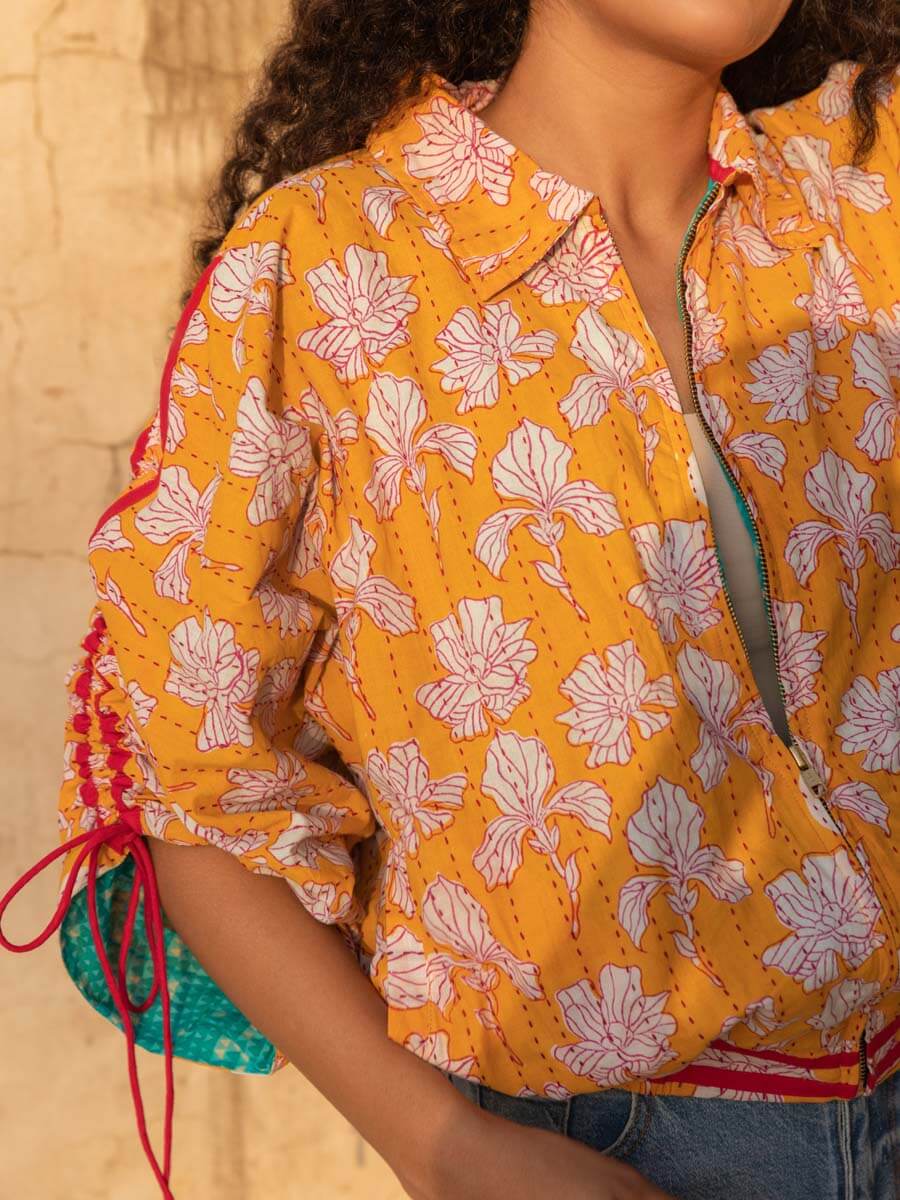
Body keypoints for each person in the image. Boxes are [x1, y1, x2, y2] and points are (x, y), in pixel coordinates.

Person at [1, 0, 899, 1196]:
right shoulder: (325, 271)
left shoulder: (860, 198)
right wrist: (447, 1151)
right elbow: (197, 794)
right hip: (602, 1150)